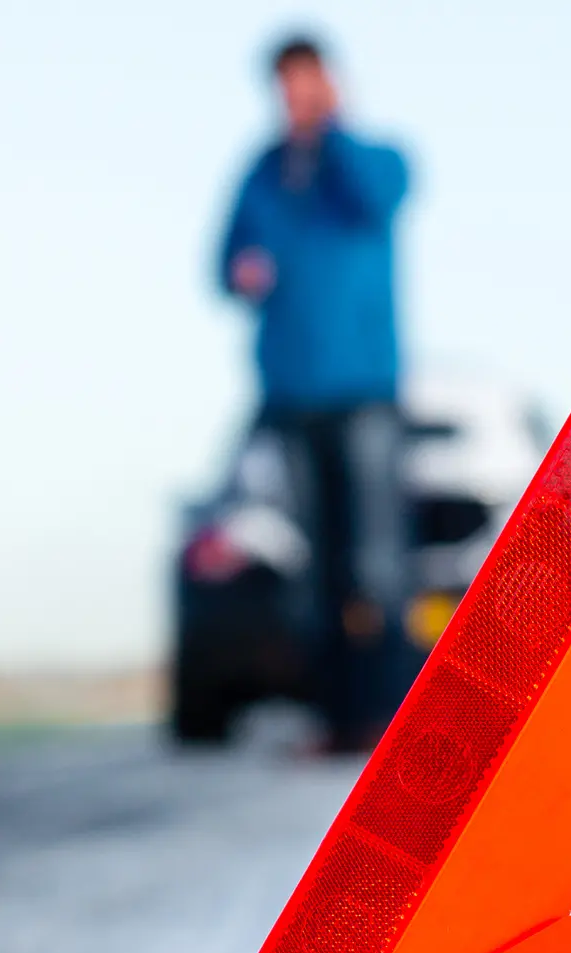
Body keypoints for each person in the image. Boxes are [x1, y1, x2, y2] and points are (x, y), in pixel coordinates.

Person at [217, 34, 414, 752]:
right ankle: (332, 721)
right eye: (286, 85)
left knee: (377, 561)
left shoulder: (373, 158)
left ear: (329, 83)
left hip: (364, 389)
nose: (295, 97)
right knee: (316, 566)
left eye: (308, 83)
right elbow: (222, 259)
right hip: (290, 393)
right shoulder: (262, 174)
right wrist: (240, 270)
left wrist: (332, 131)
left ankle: (386, 718)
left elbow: (377, 200)